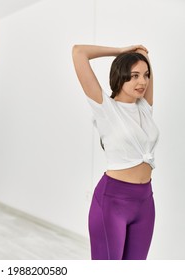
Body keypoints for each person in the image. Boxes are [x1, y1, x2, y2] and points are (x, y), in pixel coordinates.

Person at [72, 45, 159, 260]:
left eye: (146, 75)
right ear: (121, 75)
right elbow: (78, 52)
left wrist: (140, 56)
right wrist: (121, 51)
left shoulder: (145, 107)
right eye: (135, 76)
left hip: (145, 201)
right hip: (113, 202)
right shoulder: (105, 108)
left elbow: (144, 54)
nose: (143, 82)